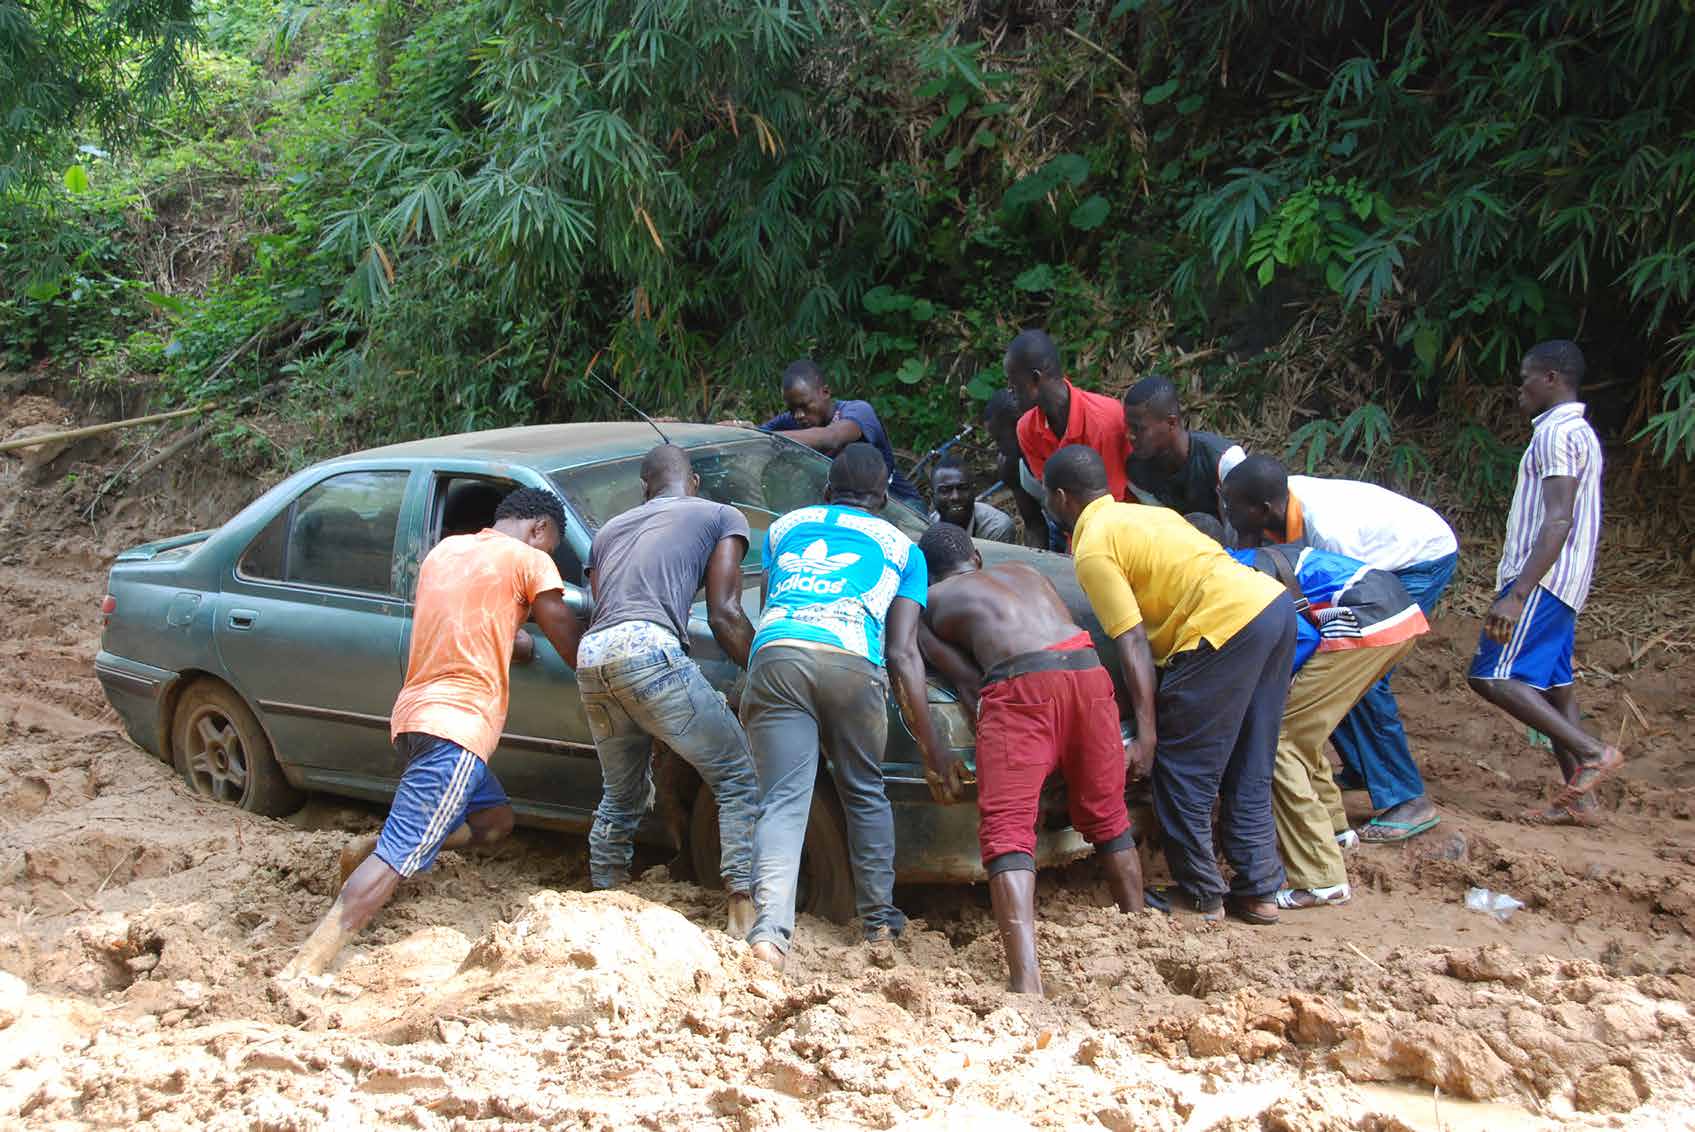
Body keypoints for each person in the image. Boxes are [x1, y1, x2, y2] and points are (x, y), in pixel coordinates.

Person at [281, 489, 584, 979]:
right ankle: (306, 965)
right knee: (400, 856)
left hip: (413, 719)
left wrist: (518, 642)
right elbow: (566, 638)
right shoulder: (530, 559)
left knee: (494, 820)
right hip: (459, 728)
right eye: (547, 547)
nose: (543, 556)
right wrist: (600, 665)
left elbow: (476, 626)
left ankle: (380, 848)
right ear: (538, 531)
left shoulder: (446, 553)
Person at [1044, 445, 1296, 925]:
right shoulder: (1150, 516)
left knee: (1181, 769)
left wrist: (1148, 734)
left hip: (1223, 626)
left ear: (1061, 498)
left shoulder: (1094, 544)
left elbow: (1132, 640)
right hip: (1273, 608)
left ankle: (1203, 895)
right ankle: (1260, 889)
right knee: (1250, 758)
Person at [742, 443, 949, 972]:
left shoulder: (785, 528)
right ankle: (878, 922)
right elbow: (903, 651)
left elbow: (773, 602)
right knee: (864, 792)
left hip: (779, 654)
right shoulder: (906, 551)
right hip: (853, 664)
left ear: (827, 491)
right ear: (882, 497)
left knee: (784, 801)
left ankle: (768, 936)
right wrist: (931, 742)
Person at [916, 522, 1142, 994]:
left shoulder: (932, 600)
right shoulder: (1025, 572)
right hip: (1087, 672)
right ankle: (1140, 930)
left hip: (1021, 685)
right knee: (1108, 814)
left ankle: (1027, 980)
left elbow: (961, 675)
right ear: (976, 557)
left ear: (928, 573)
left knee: (1007, 831)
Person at [1185, 513, 1429, 910]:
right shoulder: (1246, 557)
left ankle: (1320, 878)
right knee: (1303, 726)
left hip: (1364, 618)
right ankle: (1332, 831)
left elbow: (1300, 636)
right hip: (1393, 611)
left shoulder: (1233, 573)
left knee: (1280, 740)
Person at [1222, 456, 1457, 844]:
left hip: (1419, 556)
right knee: (1329, 672)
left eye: (1233, 509)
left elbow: (1355, 604)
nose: (1228, 516)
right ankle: (1365, 768)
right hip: (1363, 569)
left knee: (1357, 672)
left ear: (1262, 510)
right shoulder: (1269, 498)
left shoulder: (1329, 530)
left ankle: (1406, 798)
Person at [577, 444, 762, 934]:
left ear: (645, 487)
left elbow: (606, 604)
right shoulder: (721, 515)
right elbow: (724, 614)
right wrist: (768, 672)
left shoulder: (609, 531)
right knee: (738, 773)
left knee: (621, 792)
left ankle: (604, 899)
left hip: (593, 655)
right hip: (650, 650)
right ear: (693, 482)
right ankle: (743, 909)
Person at [1467, 340, 1622, 823]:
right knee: (1557, 690)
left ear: (1551, 378)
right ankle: (1583, 799)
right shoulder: (1579, 432)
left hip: (1542, 581)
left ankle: (1593, 753)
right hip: (1565, 581)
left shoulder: (1556, 435)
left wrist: (1516, 595)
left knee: (1491, 675)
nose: (1519, 388)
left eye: (1526, 377)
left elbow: (1558, 521)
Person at [759, 358, 925, 510]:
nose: (798, 415)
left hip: (901, 508)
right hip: (851, 508)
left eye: (804, 406)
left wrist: (776, 437)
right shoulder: (795, 419)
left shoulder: (858, 411)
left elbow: (831, 437)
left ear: (825, 392)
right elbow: (758, 434)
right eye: (792, 409)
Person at [1005, 329, 1134, 504]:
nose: (1009, 390)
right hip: (1069, 521)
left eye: (1013, 383)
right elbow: (1053, 495)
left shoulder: (1104, 421)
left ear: (1035, 379)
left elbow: (1113, 500)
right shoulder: (1026, 429)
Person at [1122, 375, 1246, 519]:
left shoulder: (1223, 461)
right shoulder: (1137, 470)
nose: (1129, 435)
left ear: (1171, 423)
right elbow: (1163, 527)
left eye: (1138, 428)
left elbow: (1244, 533)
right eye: (1128, 426)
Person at [984, 389, 1056, 549]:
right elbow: (1034, 525)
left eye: (1000, 439)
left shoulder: (1057, 452)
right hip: (1056, 533)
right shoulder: (1011, 466)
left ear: (1020, 424)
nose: (999, 449)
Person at [928, 453, 1016, 544]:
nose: (955, 497)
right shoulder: (931, 524)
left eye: (963, 488)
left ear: (973, 491)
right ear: (932, 495)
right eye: (945, 490)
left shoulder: (996, 528)